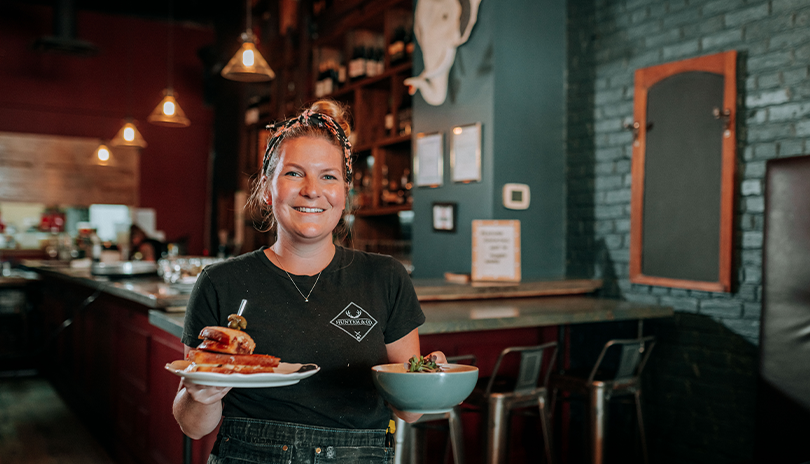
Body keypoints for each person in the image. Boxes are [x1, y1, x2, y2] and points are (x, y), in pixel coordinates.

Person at [173, 100, 444, 463]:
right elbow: (193, 426)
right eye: (294, 173)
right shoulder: (221, 282)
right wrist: (199, 396)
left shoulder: (386, 277)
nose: (312, 190)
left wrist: (424, 381)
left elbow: (409, 412)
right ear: (267, 190)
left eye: (328, 176)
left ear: (345, 194)